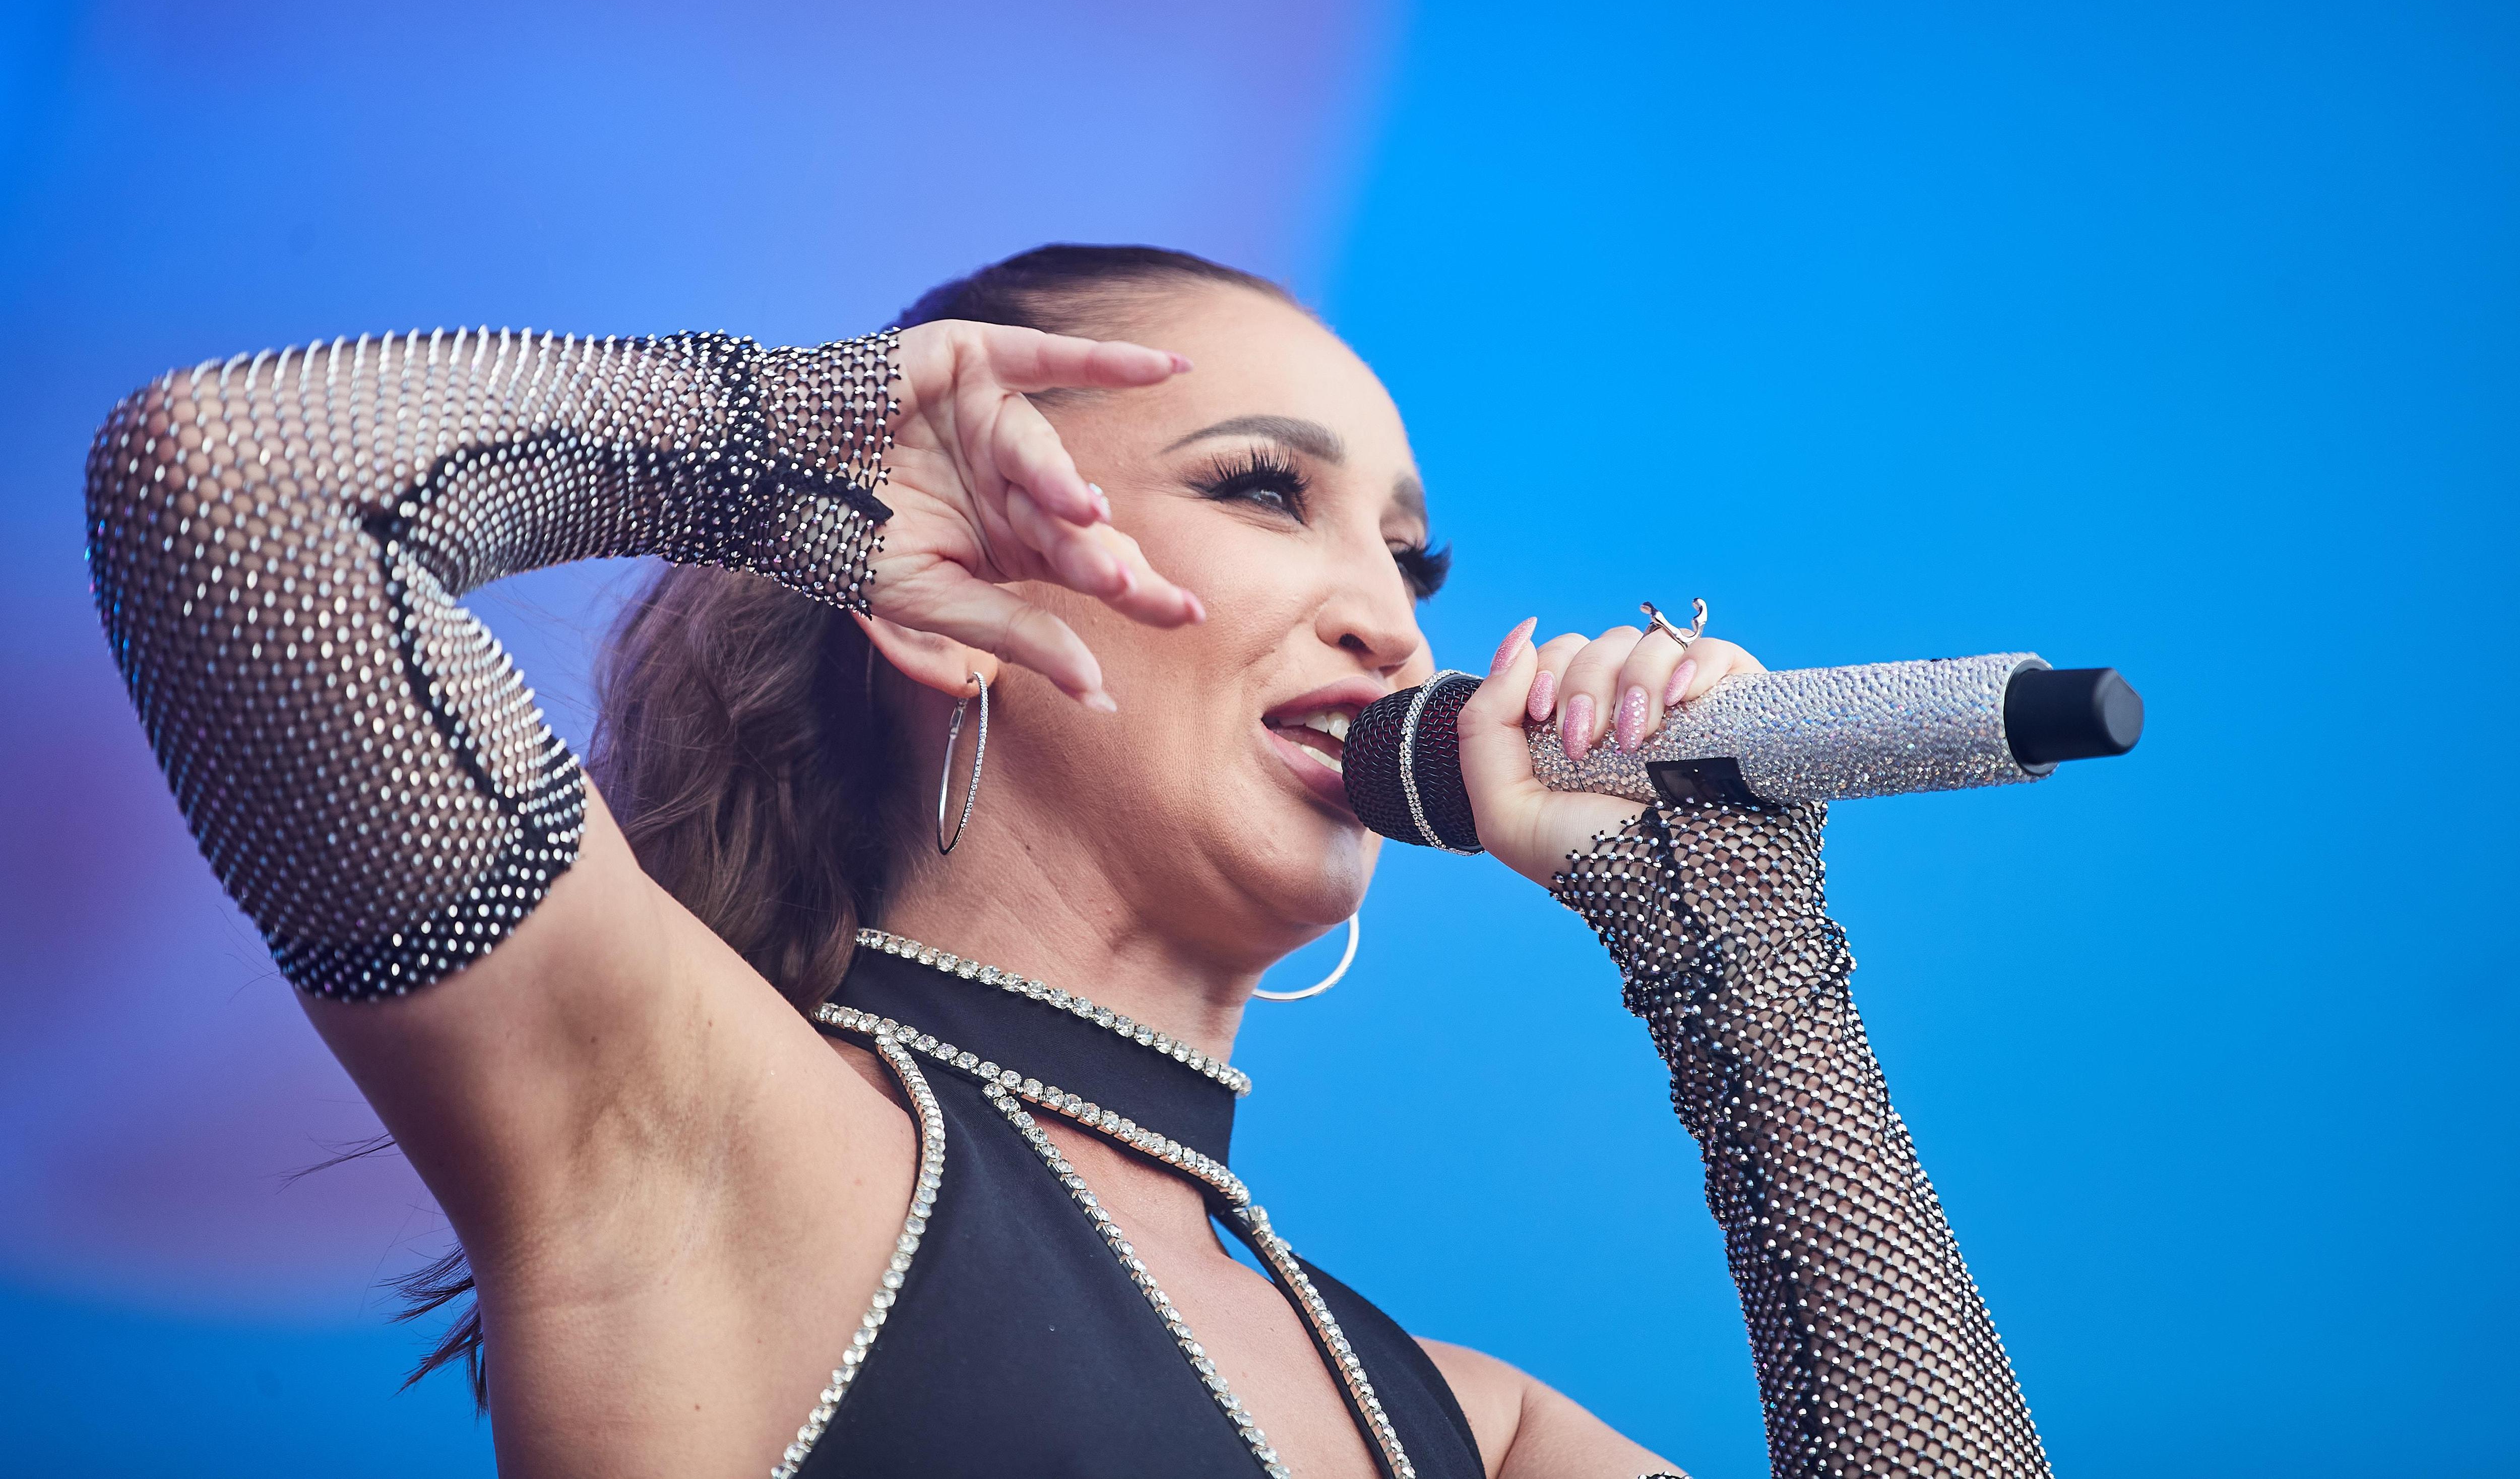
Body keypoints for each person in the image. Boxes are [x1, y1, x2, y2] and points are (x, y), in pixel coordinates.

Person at [83, 245, 2050, 1478]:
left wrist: (1741, 970)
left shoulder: (1451, 1423)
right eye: (1263, 491)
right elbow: (236, 495)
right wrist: (789, 448)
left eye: (1410, 558)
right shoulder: (691, 1134)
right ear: (947, 586)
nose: (1390, 621)